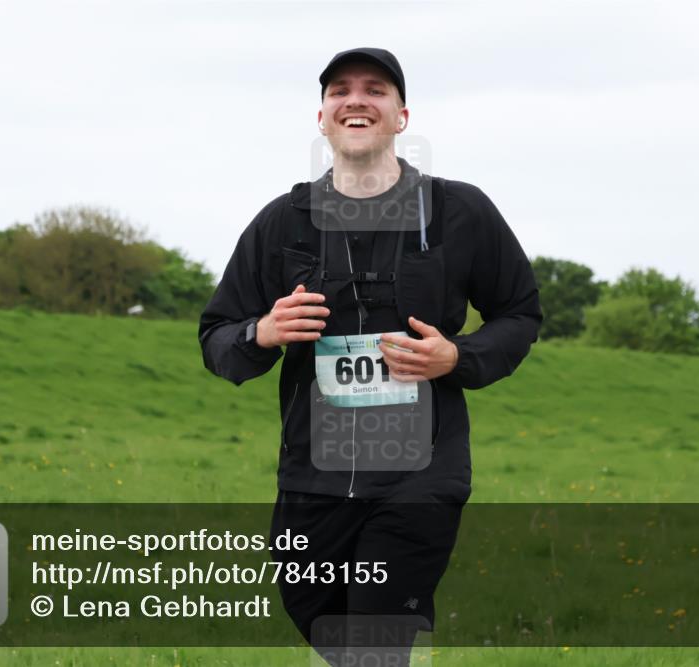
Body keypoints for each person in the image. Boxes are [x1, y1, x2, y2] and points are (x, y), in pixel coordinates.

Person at [199, 47, 541, 665]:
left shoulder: (459, 212)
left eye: (376, 90)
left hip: (420, 474)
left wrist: (455, 357)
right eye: (340, 91)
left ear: (401, 116)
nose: (356, 99)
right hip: (313, 479)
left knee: (373, 646)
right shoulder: (283, 224)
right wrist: (263, 333)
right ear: (323, 117)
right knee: (331, 640)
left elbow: (519, 313)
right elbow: (218, 337)